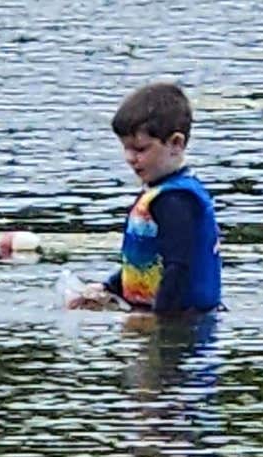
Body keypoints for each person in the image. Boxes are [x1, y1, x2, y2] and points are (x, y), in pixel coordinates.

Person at [68, 79, 223, 315]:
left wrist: (160, 324)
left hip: (186, 320)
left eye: (140, 149)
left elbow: (178, 268)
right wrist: (108, 287)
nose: (130, 158)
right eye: (126, 148)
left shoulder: (176, 200)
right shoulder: (157, 193)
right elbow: (145, 265)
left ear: (175, 144)